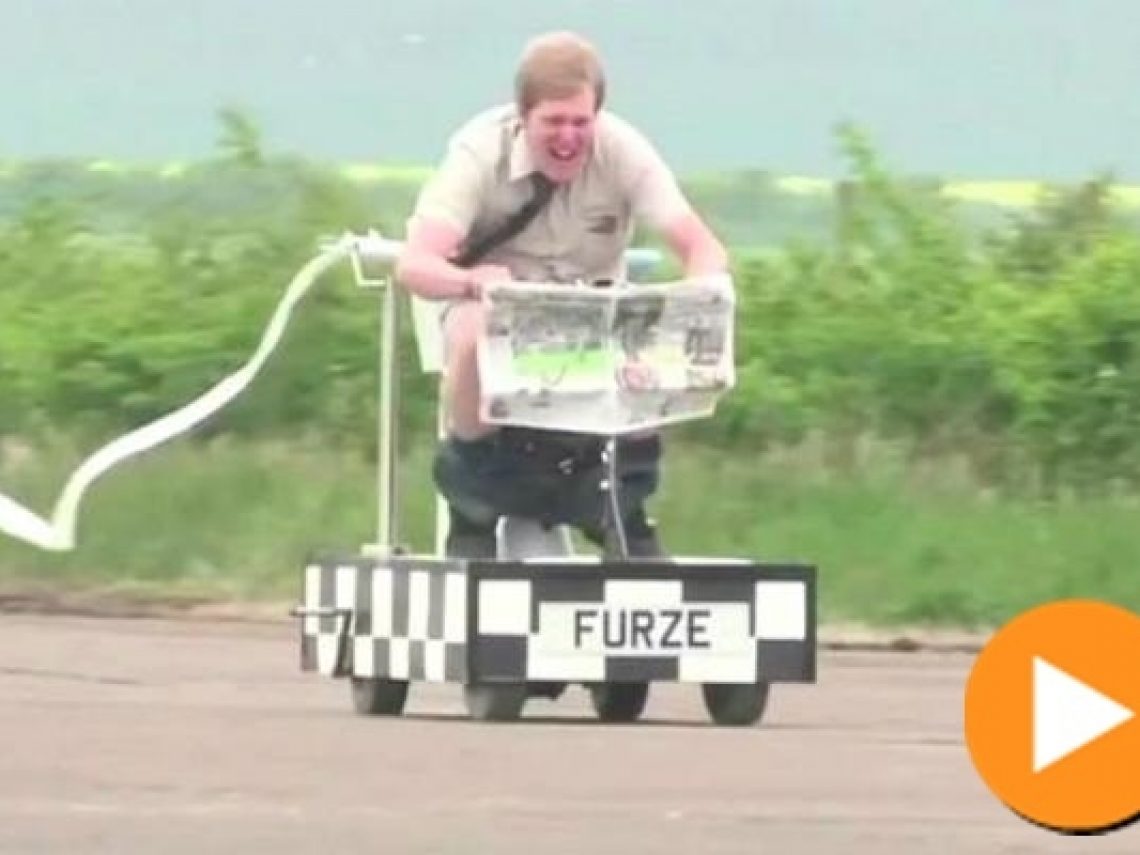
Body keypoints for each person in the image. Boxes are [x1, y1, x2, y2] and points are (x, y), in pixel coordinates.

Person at [396, 30, 729, 561]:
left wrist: (695, 301)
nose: (568, 138)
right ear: (522, 116)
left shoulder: (624, 150)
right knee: (474, 335)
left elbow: (703, 247)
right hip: (499, 309)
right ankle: (474, 507)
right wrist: (473, 282)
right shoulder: (478, 154)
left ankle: (623, 504)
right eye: (553, 122)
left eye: (580, 122)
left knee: (651, 335)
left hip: (593, 314)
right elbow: (415, 264)